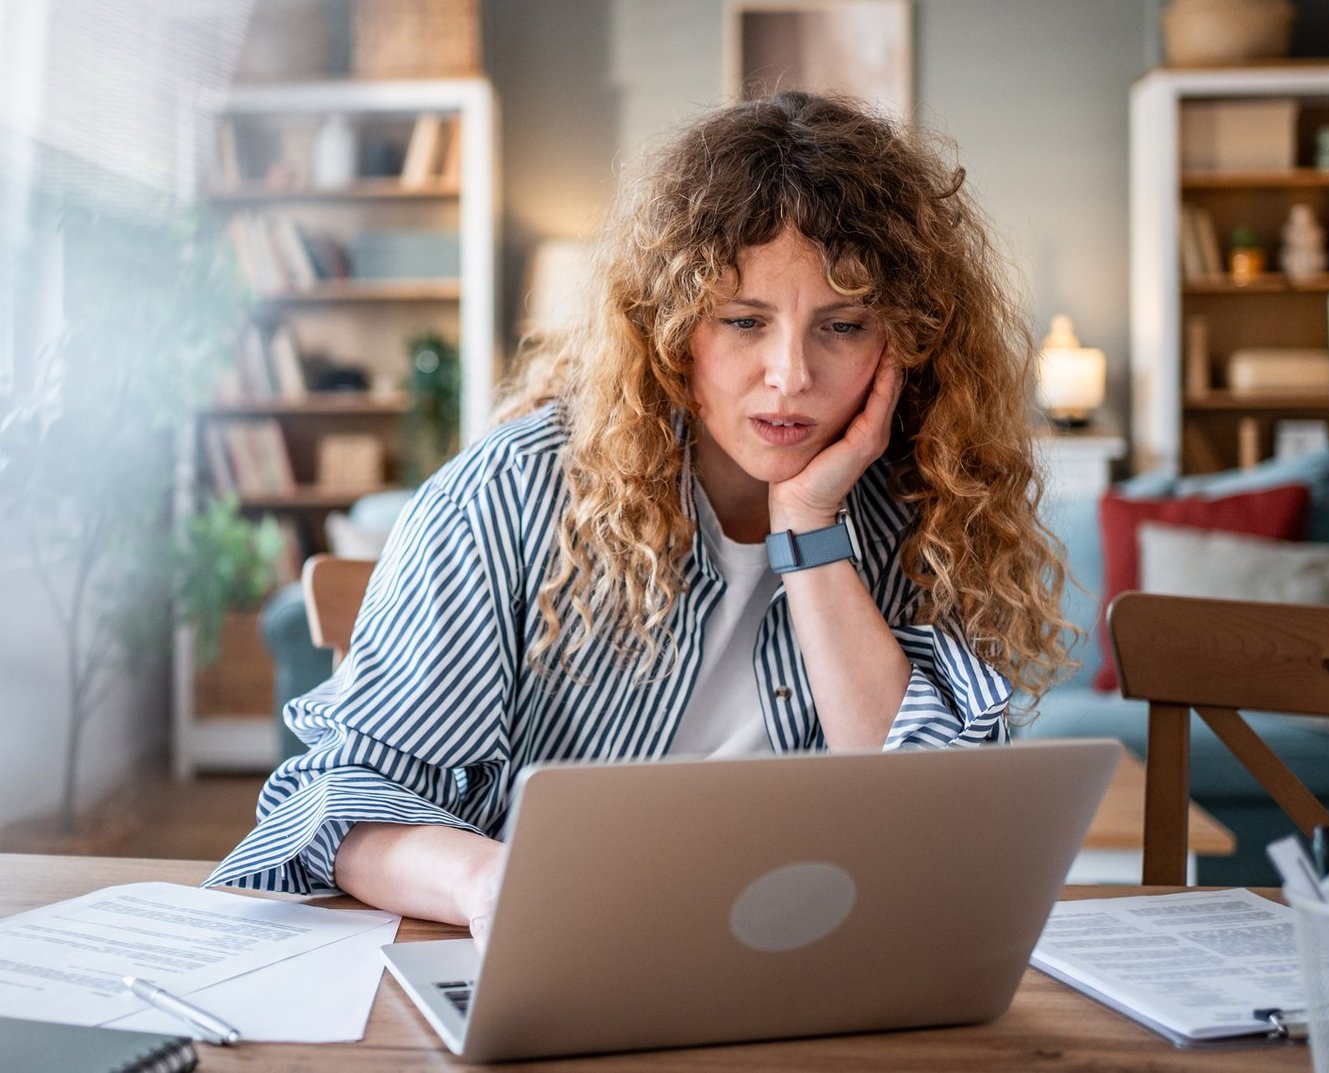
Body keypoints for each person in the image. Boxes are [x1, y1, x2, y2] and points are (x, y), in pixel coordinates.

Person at [207, 91, 1072, 939]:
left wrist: (810, 532)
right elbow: (338, 803)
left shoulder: (924, 507)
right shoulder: (513, 494)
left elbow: (932, 830)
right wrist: (488, 880)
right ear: (669, 328)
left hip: (810, 968)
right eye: (743, 321)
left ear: (904, 341)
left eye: (841, 326)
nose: (790, 374)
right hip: (566, 951)